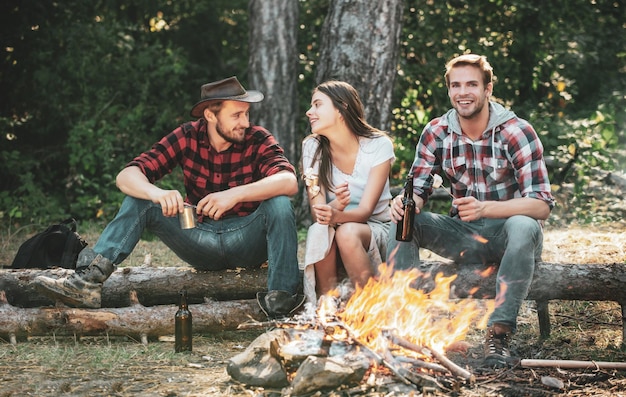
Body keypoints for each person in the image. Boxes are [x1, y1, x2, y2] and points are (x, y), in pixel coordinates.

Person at [33, 76, 304, 319]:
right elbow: (126, 176)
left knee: (279, 203)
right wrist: (157, 193)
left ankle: (281, 300)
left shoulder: (257, 138)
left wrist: (232, 195)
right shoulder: (187, 135)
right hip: (198, 236)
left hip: (247, 239)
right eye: (237, 115)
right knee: (141, 200)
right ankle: (88, 283)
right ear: (210, 115)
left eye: (246, 114)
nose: (245, 122)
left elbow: (288, 181)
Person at [386, 54, 555, 368]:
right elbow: (420, 188)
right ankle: (406, 325)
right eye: (456, 85)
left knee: (522, 224)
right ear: (449, 90)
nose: (463, 92)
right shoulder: (436, 131)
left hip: (511, 238)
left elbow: (541, 205)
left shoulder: (516, 132)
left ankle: (500, 335)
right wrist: (407, 204)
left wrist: (486, 208)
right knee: (401, 223)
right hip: (464, 238)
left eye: (472, 84)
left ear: (488, 89)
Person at [301, 80, 395, 304]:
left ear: (341, 108)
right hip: (334, 226)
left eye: (317, 105)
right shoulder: (312, 147)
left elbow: (365, 211)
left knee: (347, 232)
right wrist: (335, 209)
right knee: (320, 230)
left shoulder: (378, 145)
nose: (309, 112)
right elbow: (319, 214)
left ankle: (372, 309)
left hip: (377, 228)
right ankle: (328, 307)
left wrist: (338, 216)